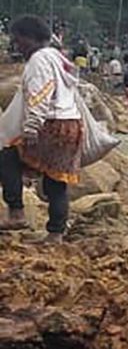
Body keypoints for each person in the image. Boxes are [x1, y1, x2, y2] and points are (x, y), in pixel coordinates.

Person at [0, 15, 83, 241]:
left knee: (7, 157)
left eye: (19, 40)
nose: (17, 46)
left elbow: (41, 93)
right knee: (56, 181)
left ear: (30, 38)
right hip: (71, 124)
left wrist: (31, 127)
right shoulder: (59, 58)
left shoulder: (39, 60)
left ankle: (16, 213)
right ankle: (56, 233)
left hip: (51, 124)